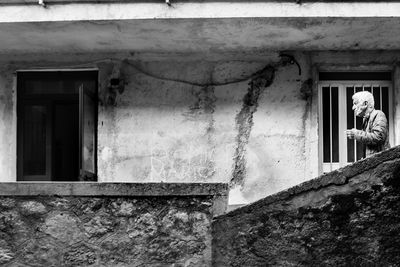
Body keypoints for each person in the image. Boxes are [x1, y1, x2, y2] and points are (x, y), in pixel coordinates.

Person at [345, 91, 390, 158]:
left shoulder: (379, 114)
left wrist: (357, 134)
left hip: (381, 162)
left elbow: (378, 137)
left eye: (355, 103)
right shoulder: (366, 119)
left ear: (365, 103)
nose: (353, 107)